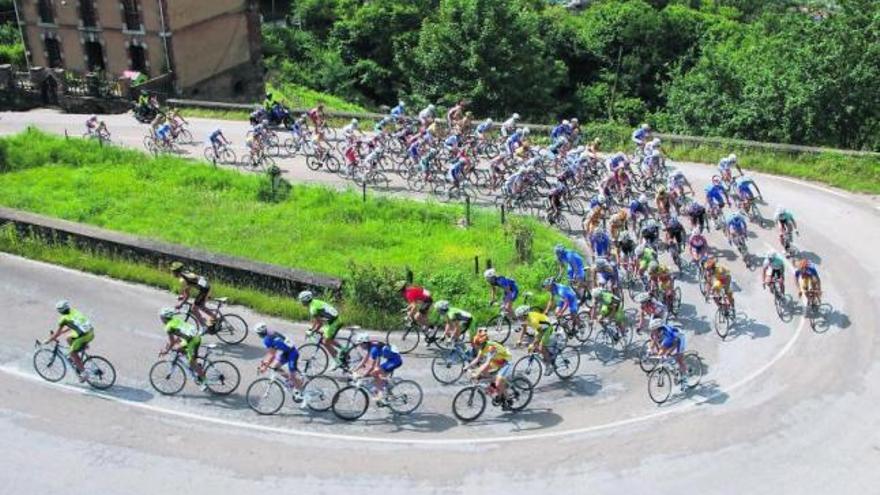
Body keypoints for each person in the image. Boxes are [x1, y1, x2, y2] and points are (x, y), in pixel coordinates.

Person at [255, 323, 308, 408]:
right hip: (286, 352)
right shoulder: (270, 332)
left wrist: (264, 367)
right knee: (274, 367)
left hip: (292, 354)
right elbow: (270, 353)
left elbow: (272, 355)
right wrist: (264, 362)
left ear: (260, 334)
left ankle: (303, 393)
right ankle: (292, 381)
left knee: (292, 377)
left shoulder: (267, 339)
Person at [158, 307, 207, 391]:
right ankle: (194, 363)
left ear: (165, 318)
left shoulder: (169, 327)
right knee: (178, 348)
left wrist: (166, 351)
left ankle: (204, 381)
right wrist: (168, 346)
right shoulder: (175, 320)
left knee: (191, 363)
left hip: (193, 340)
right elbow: (178, 336)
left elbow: (172, 341)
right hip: (191, 337)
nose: (160, 319)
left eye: (161, 317)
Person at [46, 301, 94, 381]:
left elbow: (57, 333)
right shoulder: (74, 311)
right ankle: (81, 349)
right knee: (68, 338)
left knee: (72, 353)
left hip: (84, 337)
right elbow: (73, 325)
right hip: (91, 333)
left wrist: (48, 340)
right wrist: (62, 332)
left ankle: (84, 373)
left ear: (60, 311)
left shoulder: (63, 319)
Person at [466, 329, 514, 407]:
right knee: (483, 373)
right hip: (497, 361)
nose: (475, 346)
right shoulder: (483, 347)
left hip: (506, 362)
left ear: (482, 344)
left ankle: (508, 399)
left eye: (476, 344)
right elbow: (477, 359)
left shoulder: (491, 347)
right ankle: (496, 389)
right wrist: (467, 367)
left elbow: (487, 363)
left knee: (498, 383)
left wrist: (476, 373)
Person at [352, 334, 402, 404]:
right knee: (378, 376)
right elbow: (364, 359)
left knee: (376, 373)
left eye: (360, 344)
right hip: (391, 360)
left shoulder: (374, 350)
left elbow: (373, 366)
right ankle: (388, 393)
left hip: (395, 361)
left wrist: (363, 375)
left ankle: (381, 395)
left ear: (364, 343)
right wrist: (355, 369)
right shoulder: (370, 345)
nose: (359, 346)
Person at [297, 290, 344, 365]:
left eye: (301, 300)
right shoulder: (314, 302)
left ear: (305, 300)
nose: (301, 302)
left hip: (335, 322)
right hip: (331, 321)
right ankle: (340, 350)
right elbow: (317, 320)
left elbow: (320, 323)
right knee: (323, 335)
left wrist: (312, 332)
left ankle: (338, 361)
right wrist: (312, 329)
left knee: (325, 342)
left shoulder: (313, 308)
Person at [170, 261, 216, 329]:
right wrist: (183, 297)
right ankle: (211, 320)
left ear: (176, 272)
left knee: (194, 308)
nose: (172, 273)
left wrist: (181, 304)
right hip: (206, 285)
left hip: (204, 289)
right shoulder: (185, 272)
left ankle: (205, 326)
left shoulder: (182, 280)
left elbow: (187, 295)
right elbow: (188, 289)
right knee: (201, 306)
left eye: (173, 271)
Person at [513, 306, 557, 376]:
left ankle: (549, 365)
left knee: (541, 347)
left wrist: (533, 343)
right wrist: (519, 340)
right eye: (518, 317)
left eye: (520, 317)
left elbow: (541, 333)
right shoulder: (525, 318)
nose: (519, 319)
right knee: (534, 346)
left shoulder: (533, 320)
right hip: (539, 328)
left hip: (546, 329)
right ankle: (547, 355)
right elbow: (524, 329)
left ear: (525, 315)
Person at [649, 319, 687, 390]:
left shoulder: (667, 334)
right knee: (664, 356)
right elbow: (653, 340)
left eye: (653, 330)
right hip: (671, 340)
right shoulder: (656, 332)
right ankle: (674, 369)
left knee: (679, 359)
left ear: (658, 329)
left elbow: (671, 345)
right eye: (652, 330)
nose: (652, 332)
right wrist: (650, 350)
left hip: (679, 338)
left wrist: (666, 353)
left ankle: (685, 381)